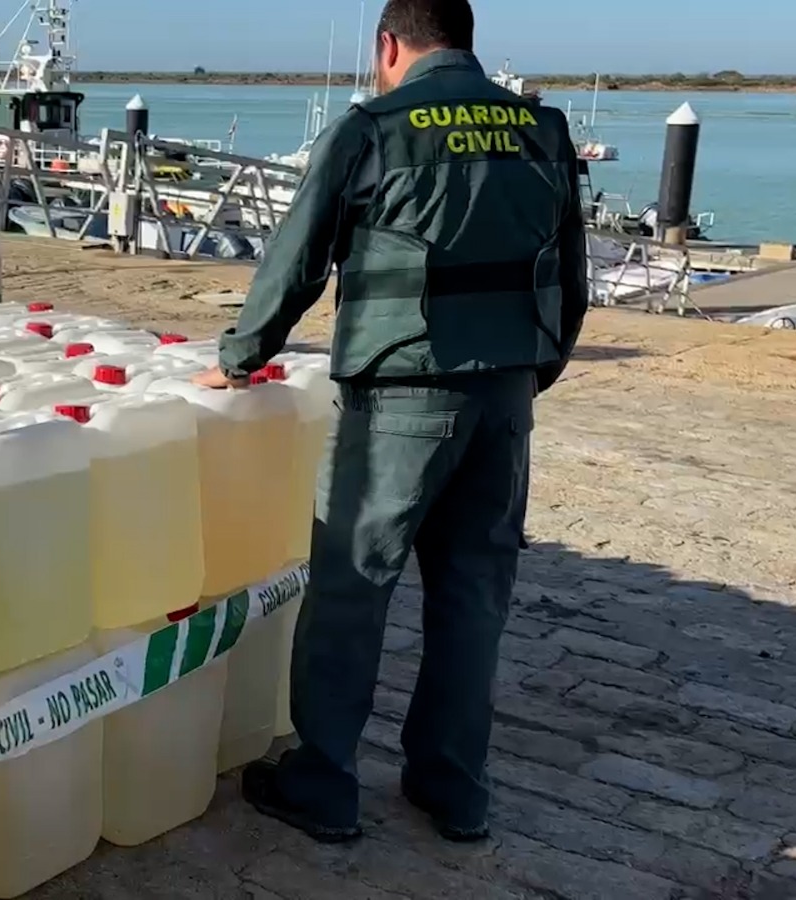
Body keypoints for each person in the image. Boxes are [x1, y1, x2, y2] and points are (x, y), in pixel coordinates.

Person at [190, 0, 590, 844]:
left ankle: (323, 784)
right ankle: (454, 790)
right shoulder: (543, 130)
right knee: (473, 596)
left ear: (388, 45)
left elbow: (296, 261)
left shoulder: (372, 129)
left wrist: (240, 356)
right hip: (506, 398)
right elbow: (571, 278)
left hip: (400, 399)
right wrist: (529, 376)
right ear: (466, 41)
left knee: (352, 590)